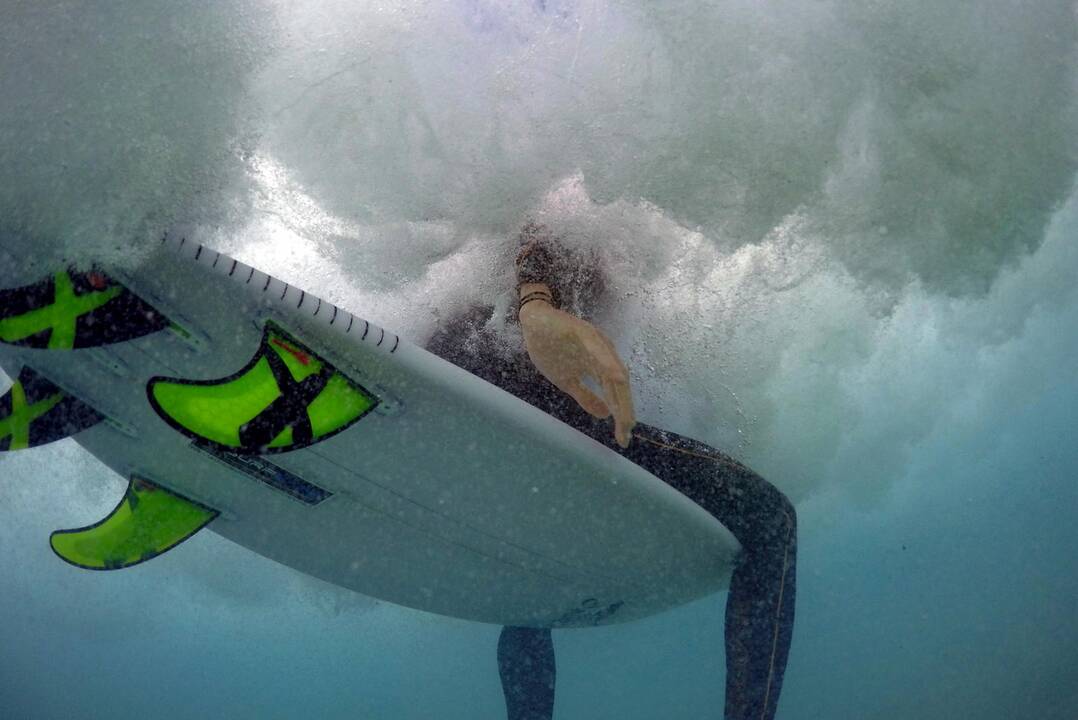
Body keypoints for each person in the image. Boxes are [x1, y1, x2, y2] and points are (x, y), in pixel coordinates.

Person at [424, 223, 797, 720]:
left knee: (537, 592)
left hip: (460, 373)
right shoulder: (605, 180)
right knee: (769, 518)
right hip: (498, 365)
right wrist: (535, 306)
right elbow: (544, 224)